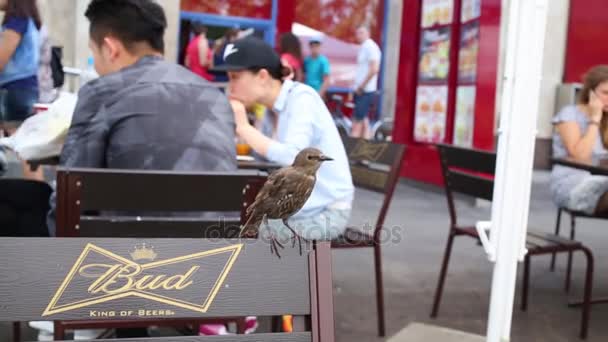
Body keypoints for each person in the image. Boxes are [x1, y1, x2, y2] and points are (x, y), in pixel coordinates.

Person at [22, 1, 236, 338]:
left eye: (93, 54)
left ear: (110, 47)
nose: (96, 64)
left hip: (128, 273)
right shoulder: (215, 97)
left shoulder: (102, 92)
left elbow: (70, 196)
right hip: (213, 269)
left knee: (33, 206)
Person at [216, 37, 354, 241]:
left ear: (262, 76)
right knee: (225, 224)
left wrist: (243, 126)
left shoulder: (302, 99)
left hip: (325, 213)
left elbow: (290, 156)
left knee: (240, 235)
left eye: (235, 77)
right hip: (294, 207)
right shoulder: (272, 108)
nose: (231, 87)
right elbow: (263, 159)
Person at [551, 65, 608, 215]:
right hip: (573, 184)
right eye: (605, 93)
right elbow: (580, 156)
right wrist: (595, 119)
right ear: (590, 92)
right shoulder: (570, 114)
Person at [350, 26, 381, 138]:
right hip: (361, 89)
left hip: (365, 90)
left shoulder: (370, 47)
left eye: (361, 32)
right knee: (363, 120)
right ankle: (365, 145)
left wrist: (361, 86)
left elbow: (374, 68)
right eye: (357, 33)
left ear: (368, 33)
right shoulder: (363, 47)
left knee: (356, 123)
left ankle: (352, 148)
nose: (358, 35)